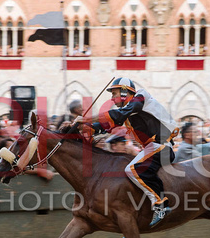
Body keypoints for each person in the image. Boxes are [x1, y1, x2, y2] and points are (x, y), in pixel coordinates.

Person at [75, 77, 178, 227]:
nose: (112, 98)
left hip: (162, 148)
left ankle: (161, 204)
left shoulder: (140, 98)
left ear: (124, 92)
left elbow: (118, 114)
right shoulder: (128, 112)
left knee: (132, 169)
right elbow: (105, 125)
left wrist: (86, 119)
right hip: (152, 148)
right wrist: (81, 128)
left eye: (114, 94)